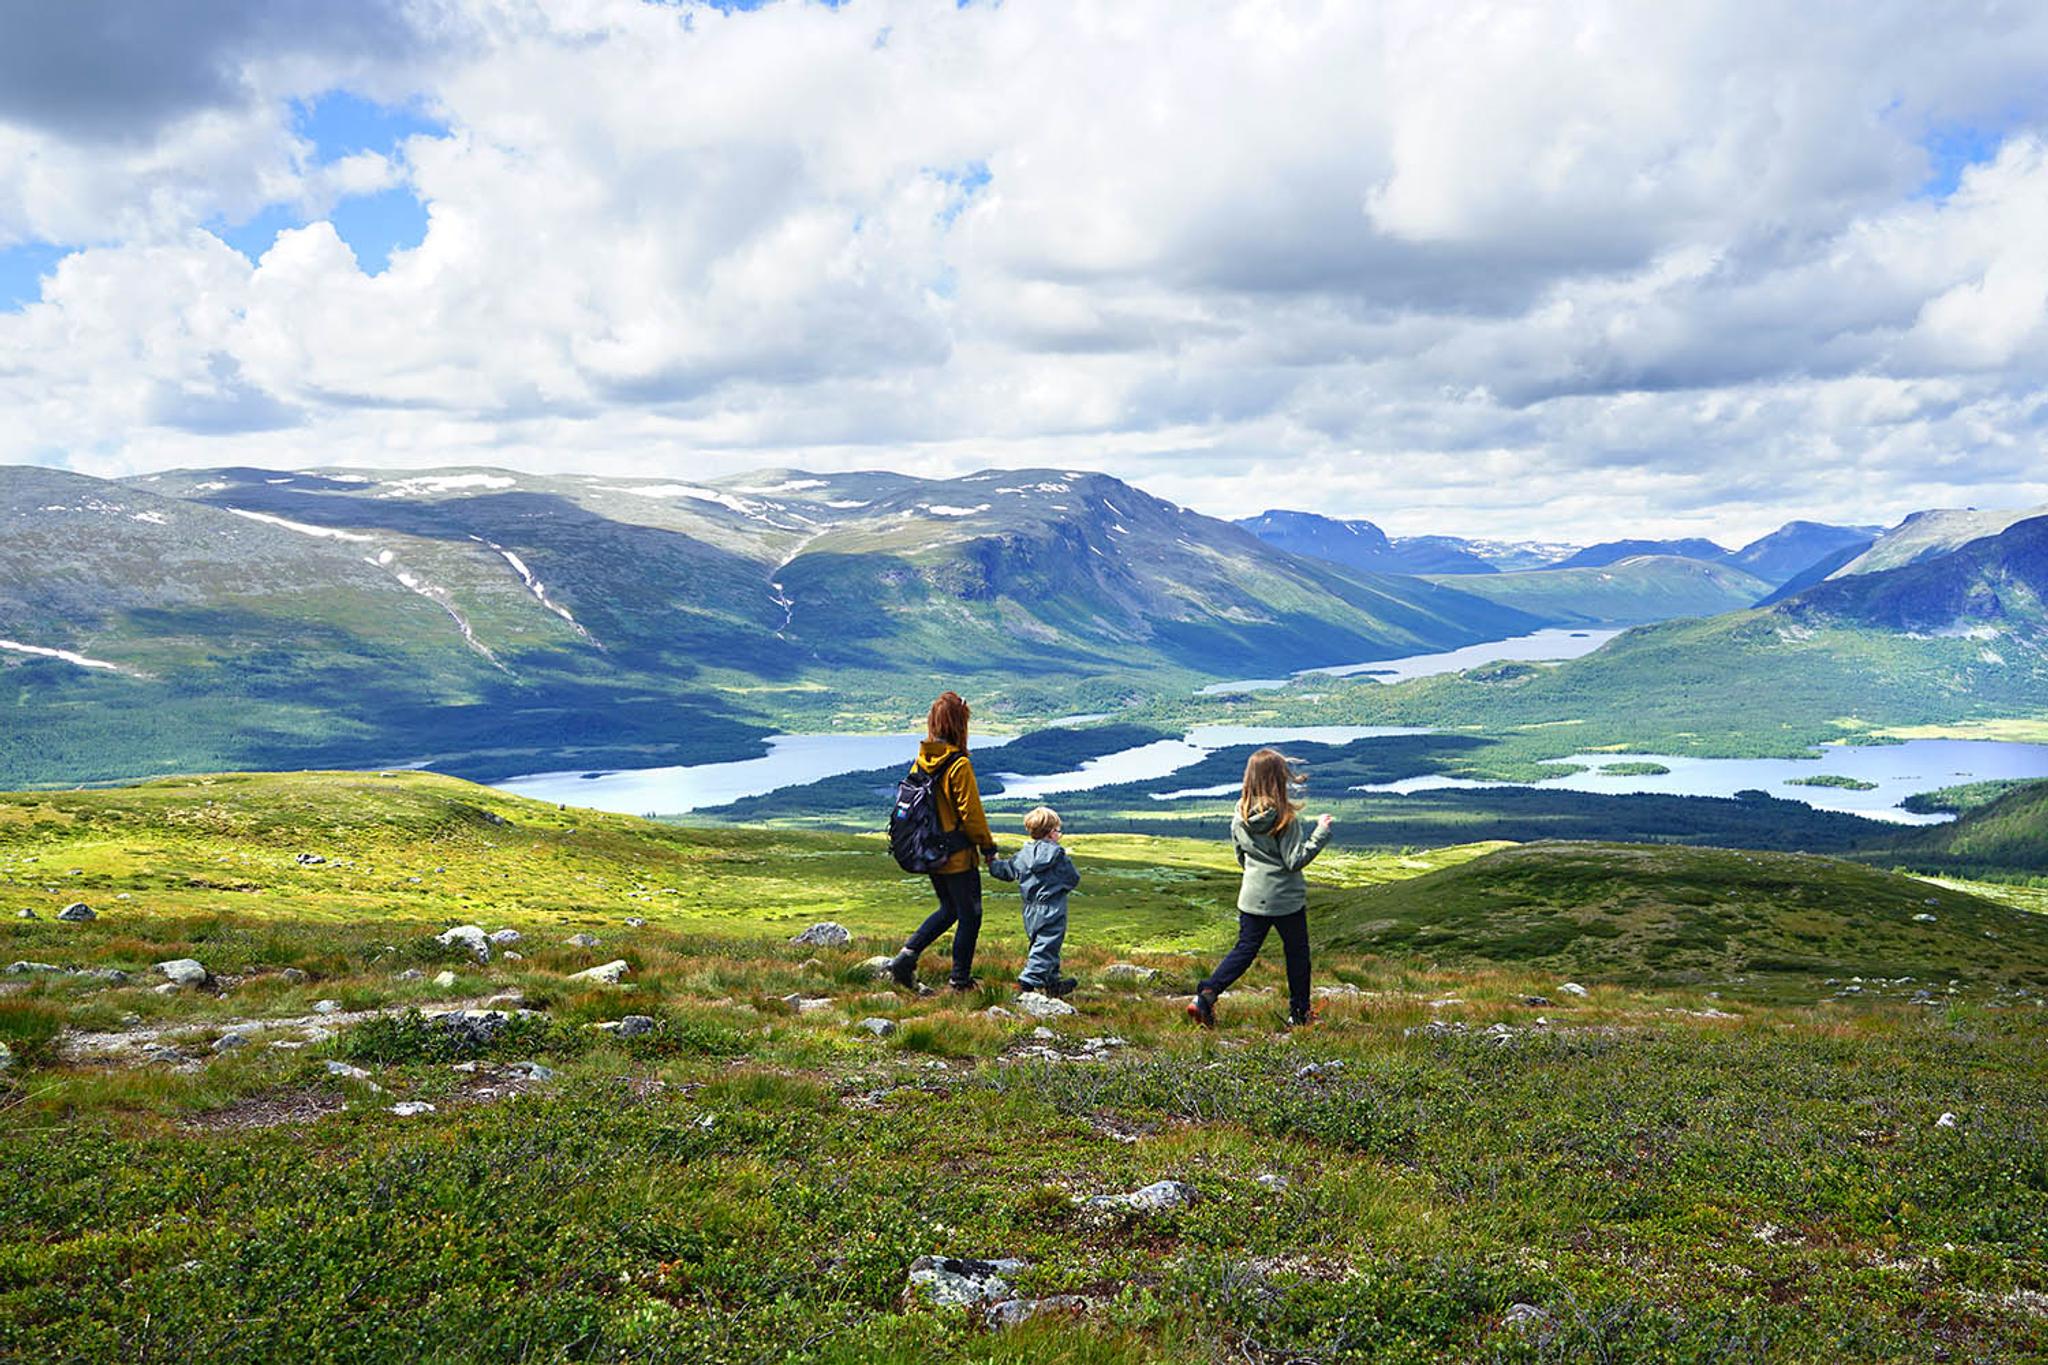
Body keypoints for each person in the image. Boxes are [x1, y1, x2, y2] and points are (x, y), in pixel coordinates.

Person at [1188, 748, 1334, 1028]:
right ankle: (1300, 1014)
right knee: (1297, 954)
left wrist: (1257, 875)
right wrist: (1321, 832)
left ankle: (1207, 994)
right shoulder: (1284, 818)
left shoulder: (1239, 813)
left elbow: (1241, 856)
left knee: (1244, 950)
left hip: (1252, 896)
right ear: (1278, 778)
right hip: (1285, 900)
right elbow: (1295, 861)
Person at [888, 691, 1000, 992]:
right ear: (958, 724)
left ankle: (905, 958)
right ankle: (960, 981)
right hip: (957, 854)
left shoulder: (923, 759)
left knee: (949, 909)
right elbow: (971, 813)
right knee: (970, 915)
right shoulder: (957, 764)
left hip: (930, 851)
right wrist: (988, 848)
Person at [988, 805, 1080, 998]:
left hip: (1030, 909)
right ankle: (1026, 983)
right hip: (1052, 908)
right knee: (1047, 945)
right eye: (1058, 830)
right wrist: (1058, 888)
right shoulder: (1058, 855)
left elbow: (1005, 872)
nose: (1059, 834)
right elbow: (1073, 878)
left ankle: (1052, 983)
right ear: (1050, 833)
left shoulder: (1022, 855)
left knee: (1041, 944)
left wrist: (992, 861)